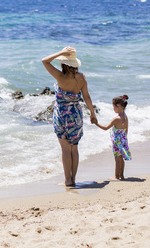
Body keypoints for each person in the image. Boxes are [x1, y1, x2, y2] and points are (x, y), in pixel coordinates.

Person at [42, 46, 97, 186]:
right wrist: (92, 113)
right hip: (76, 115)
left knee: (65, 149)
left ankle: (67, 180)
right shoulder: (82, 77)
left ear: (63, 63)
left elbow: (45, 61)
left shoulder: (60, 76)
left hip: (61, 115)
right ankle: (73, 179)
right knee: (74, 148)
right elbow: (86, 96)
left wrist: (61, 52)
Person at [94, 95, 131, 180]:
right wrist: (124, 140)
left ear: (118, 106)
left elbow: (106, 128)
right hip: (123, 139)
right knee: (121, 158)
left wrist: (96, 123)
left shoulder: (116, 119)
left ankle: (116, 176)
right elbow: (126, 130)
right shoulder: (125, 117)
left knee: (117, 158)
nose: (113, 109)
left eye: (113, 107)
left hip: (116, 141)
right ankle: (121, 175)